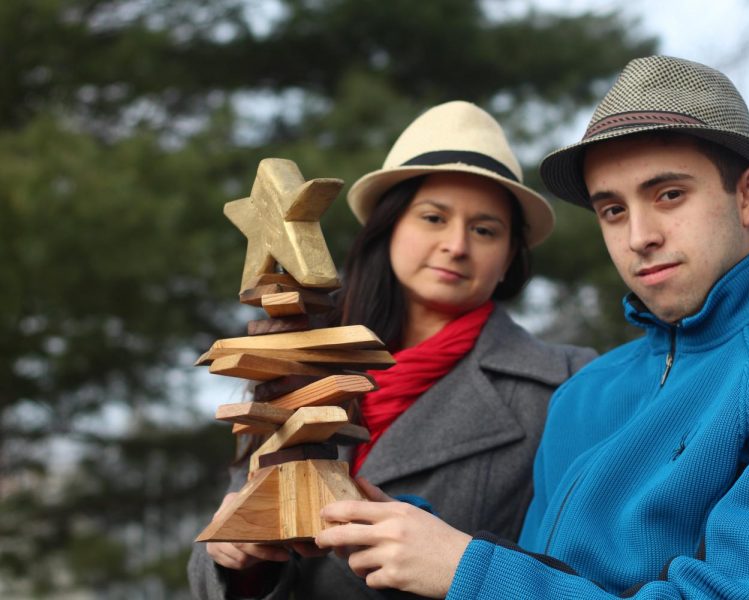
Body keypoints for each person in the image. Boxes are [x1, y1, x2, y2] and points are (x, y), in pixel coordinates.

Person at [315, 56, 749, 599]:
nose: (638, 235)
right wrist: (391, 525)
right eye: (612, 209)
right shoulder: (585, 392)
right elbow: (546, 573)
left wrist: (467, 568)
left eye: (668, 194)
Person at [187, 101, 598, 599]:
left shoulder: (569, 384)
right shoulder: (297, 353)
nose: (456, 245)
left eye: (485, 229)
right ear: (390, 227)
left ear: (510, 257)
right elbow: (229, 535)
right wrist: (237, 563)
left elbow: (578, 570)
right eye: (433, 217)